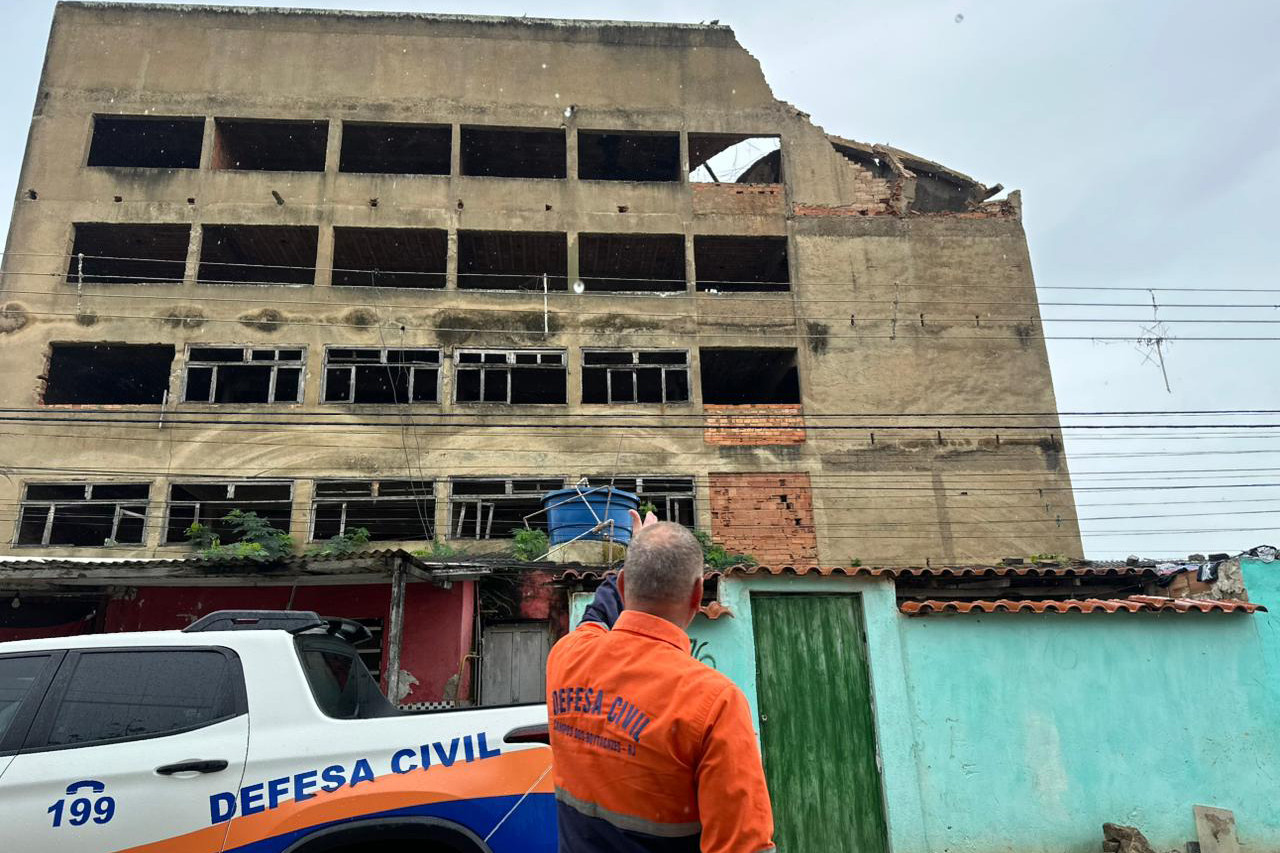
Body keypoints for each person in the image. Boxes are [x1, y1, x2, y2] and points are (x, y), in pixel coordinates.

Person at [545, 511, 775, 853]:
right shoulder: (715, 703)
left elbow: (596, 615)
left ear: (623, 586)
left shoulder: (566, 656)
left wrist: (635, 550)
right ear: (698, 597)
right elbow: (743, 846)